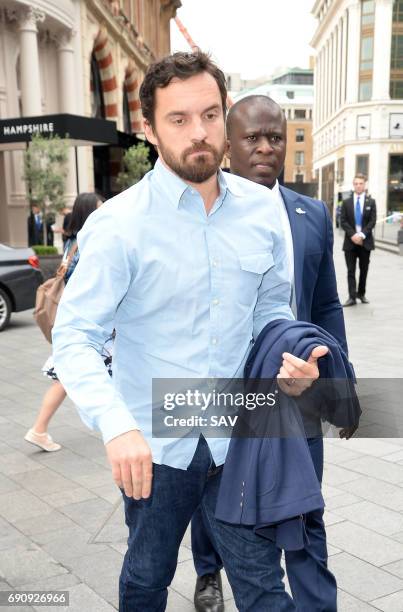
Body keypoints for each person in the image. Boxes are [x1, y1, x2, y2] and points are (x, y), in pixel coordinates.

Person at [51, 52, 328, 612]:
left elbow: (271, 310)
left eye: (209, 115)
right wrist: (116, 426)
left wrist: (289, 362)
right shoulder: (119, 224)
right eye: (178, 120)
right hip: (153, 444)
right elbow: (75, 337)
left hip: (239, 435)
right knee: (147, 577)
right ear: (149, 129)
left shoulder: (261, 211)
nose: (198, 133)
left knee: (262, 586)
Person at [191, 94, 349, 612]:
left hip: (299, 387)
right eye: (251, 138)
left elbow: (325, 304)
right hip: (230, 392)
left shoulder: (312, 213)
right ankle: (209, 572)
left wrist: (334, 382)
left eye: (275, 137)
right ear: (228, 146)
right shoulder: (205, 211)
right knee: (221, 497)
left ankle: (314, 602)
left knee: (305, 505)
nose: (264, 147)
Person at [24, 193, 103, 452]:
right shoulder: (89, 242)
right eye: (99, 208)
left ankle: (40, 429)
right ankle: (39, 429)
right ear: (90, 212)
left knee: (71, 376)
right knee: (66, 378)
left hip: (75, 320)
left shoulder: (71, 240)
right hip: (84, 322)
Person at [340, 174, 377, 306]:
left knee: (364, 269)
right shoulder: (346, 202)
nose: (358, 186)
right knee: (350, 270)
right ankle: (351, 296)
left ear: (365, 184)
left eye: (361, 183)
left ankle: (361, 293)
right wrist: (354, 236)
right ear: (353, 185)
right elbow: (342, 221)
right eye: (356, 183)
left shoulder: (371, 202)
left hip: (365, 242)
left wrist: (361, 235)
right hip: (350, 242)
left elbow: (373, 221)